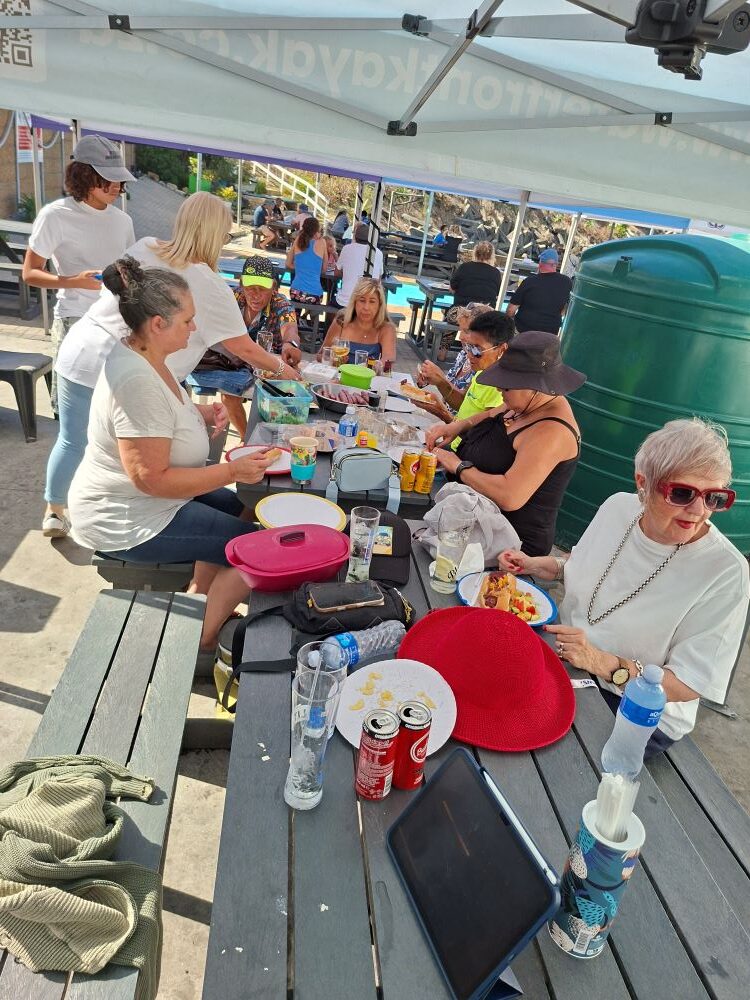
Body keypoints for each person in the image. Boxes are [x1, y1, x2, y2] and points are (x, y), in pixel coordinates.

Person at [45, 193, 299, 538]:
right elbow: (245, 349)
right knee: (139, 464)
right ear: (214, 235)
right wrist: (292, 376)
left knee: (76, 443)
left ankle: (55, 512)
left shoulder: (145, 245)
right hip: (135, 370)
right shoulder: (208, 283)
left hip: (82, 350)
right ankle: (123, 526)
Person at [500, 418, 750, 754]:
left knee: (516, 735)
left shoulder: (726, 570)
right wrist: (542, 565)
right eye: (682, 493)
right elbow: (585, 567)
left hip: (632, 707)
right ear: (643, 484)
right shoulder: (619, 506)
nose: (699, 510)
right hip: (563, 655)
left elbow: (689, 683)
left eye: (715, 497)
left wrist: (603, 663)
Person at [68, 258, 276, 652]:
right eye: (188, 321)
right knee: (253, 547)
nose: (195, 328)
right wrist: (231, 470)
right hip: (128, 518)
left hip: (150, 502)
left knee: (241, 510)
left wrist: (196, 413)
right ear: (158, 324)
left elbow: (159, 416)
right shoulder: (136, 379)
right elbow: (152, 479)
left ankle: (199, 596)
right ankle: (196, 642)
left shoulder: (145, 353)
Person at [426, 330, 584, 557]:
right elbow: (493, 413)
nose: (500, 389)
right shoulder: (525, 402)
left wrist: (458, 466)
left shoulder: (552, 431)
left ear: (534, 386)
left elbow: (510, 496)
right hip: (474, 519)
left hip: (511, 546)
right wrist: (456, 426)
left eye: (506, 385)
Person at [22, 135, 135, 435]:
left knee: (112, 417)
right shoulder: (55, 215)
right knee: (73, 423)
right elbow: (30, 273)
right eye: (106, 179)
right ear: (84, 176)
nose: (114, 187)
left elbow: (131, 271)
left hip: (117, 325)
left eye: (118, 181)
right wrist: (73, 281)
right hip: (75, 320)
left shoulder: (123, 221)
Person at [196, 255, 301, 437]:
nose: (255, 294)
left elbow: (290, 326)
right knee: (229, 395)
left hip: (267, 368)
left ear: (274, 288)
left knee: (276, 400)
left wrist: (290, 345)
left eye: (262, 289)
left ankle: (263, 439)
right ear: (241, 283)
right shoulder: (231, 297)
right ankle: (247, 439)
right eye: (250, 287)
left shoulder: (281, 303)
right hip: (232, 364)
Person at [415, 308, 509, 428]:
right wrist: (438, 383)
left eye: (476, 349)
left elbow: (481, 439)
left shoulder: (499, 388)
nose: (469, 354)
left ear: (501, 349)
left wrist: (443, 413)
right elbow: (464, 405)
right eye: (469, 347)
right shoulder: (482, 371)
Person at [317, 278, 396, 366]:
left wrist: (377, 366)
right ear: (354, 302)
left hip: (370, 377)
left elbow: (389, 358)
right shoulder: (341, 322)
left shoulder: (386, 328)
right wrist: (332, 360)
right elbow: (320, 355)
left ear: (380, 305)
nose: (366, 307)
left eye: (372, 302)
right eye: (362, 301)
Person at [507, 248, 573, 335]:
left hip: (524, 332)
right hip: (550, 334)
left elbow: (511, 310)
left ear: (540, 263)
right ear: (556, 264)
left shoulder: (530, 281)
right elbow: (564, 309)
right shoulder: (567, 282)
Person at [334, 222, 384, 308]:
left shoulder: (347, 249)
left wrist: (347, 274)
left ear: (355, 236)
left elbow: (336, 273)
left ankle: (330, 321)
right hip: (367, 304)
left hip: (346, 301)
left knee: (333, 300)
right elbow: (378, 279)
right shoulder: (378, 253)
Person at [286, 217, 327, 304]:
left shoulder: (298, 240)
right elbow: (324, 270)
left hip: (295, 292)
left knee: (296, 309)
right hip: (315, 294)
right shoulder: (322, 242)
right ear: (316, 229)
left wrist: (301, 268)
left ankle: (296, 316)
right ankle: (313, 318)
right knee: (315, 313)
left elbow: (288, 264)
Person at [449, 241, 501, 308]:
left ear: (475, 253)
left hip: (463, 311)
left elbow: (452, 289)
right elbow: (497, 294)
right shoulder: (496, 273)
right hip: (486, 314)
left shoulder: (464, 267)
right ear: (492, 255)